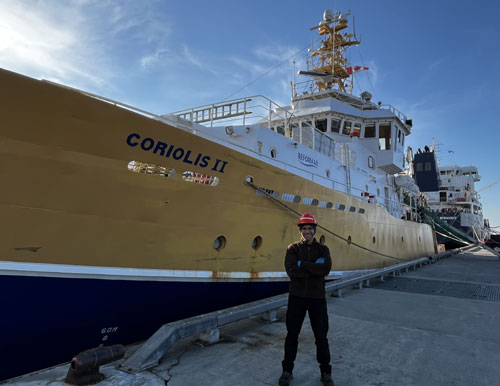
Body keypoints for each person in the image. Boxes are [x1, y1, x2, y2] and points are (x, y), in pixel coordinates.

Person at [279, 213, 334, 386]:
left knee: (321, 337)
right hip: (297, 298)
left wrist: (302, 264)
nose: (307, 231)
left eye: (310, 228)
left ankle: (326, 372)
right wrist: (313, 267)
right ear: (300, 230)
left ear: (314, 230)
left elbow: (325, 269)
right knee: (292, 335)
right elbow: (291, 271)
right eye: (304, 228)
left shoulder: (323, 250)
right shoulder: (292, 248)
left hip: (317, 299)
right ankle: (287, 371)